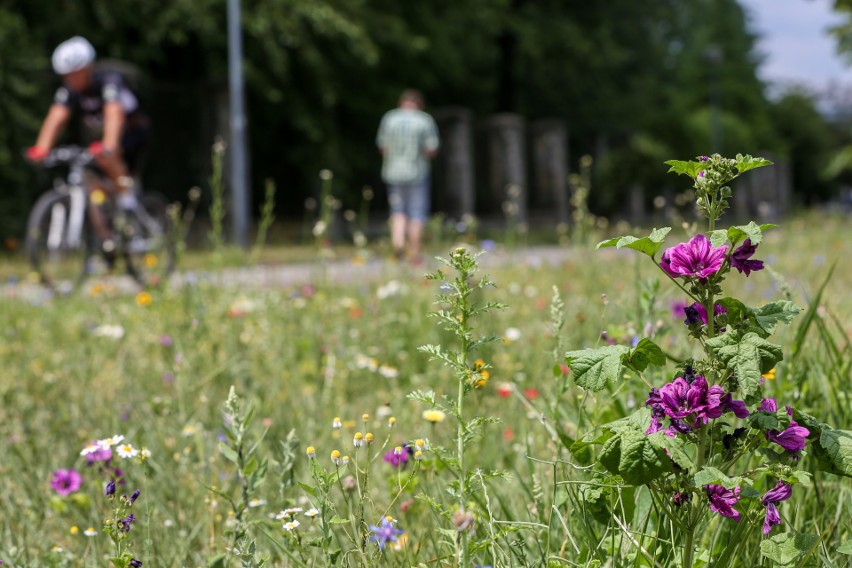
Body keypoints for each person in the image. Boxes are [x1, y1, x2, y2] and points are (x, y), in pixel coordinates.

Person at [26, 36, 152, 245]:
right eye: (66, 75)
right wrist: (41, 148)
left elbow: (114, 112)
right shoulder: (70, 90)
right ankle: (107, 240)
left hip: (133, 134)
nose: (70, 79)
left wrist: (110, 144)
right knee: (91, 185)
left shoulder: (109, 80)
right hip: (105, 138)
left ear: (87, 68)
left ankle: (128, 203)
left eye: (74, 74)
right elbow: (57, 116)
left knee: (105, 158)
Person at [376, 89, 440, 264]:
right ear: (420, 104)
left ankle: (397, 245)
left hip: (393, 173)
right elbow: (431, 149)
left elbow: (383, 147)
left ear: (401, 102)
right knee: (416, 213)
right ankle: (414, 251)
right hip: (417, 173)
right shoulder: (424, 120)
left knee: (397, 211)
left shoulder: (389, 118)